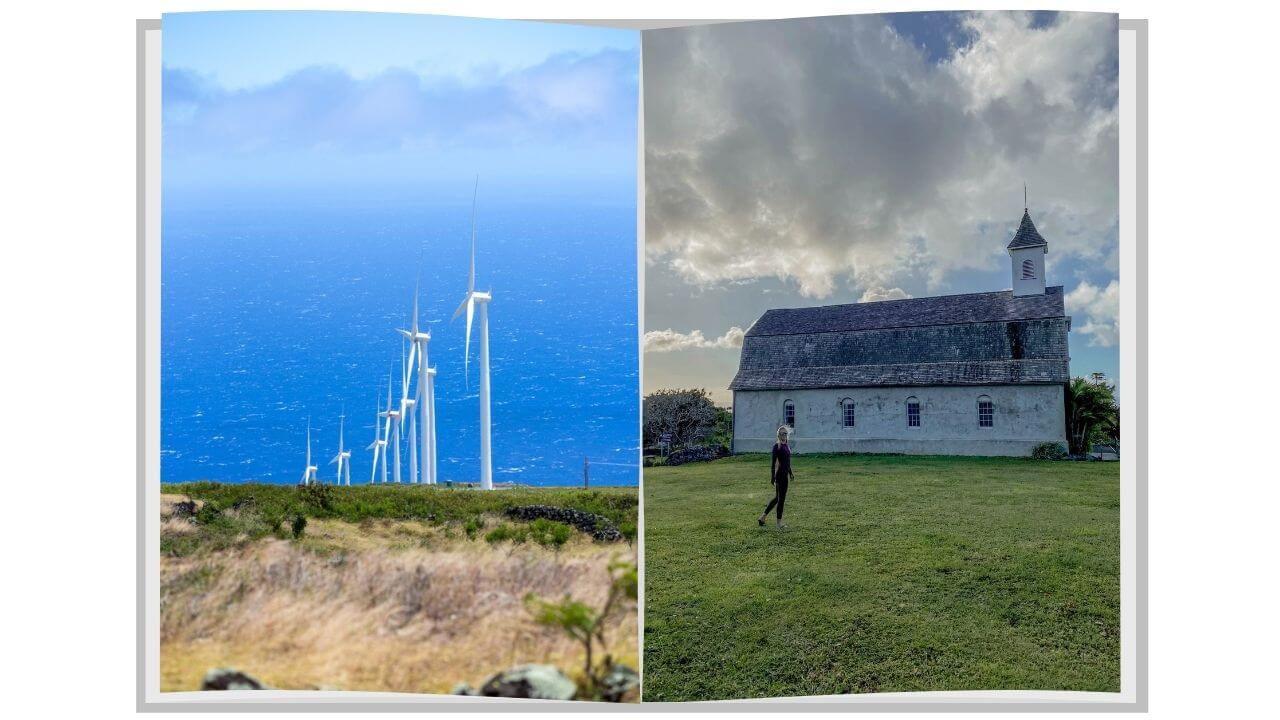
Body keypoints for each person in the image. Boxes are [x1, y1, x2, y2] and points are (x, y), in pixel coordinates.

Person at [759, 425, 793, 528]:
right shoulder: (776, 446)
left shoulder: (786, 445)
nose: (784, 435)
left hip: (785, 475)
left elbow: (788, 461)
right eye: (782, 433)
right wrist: (772, 477)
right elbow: (773, 463)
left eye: (785, 433)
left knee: (777, 498)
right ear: (778, 435)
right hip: (779, 476)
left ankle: (762, 517)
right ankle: (779, 523)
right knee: (781, 499)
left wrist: (791, 473)